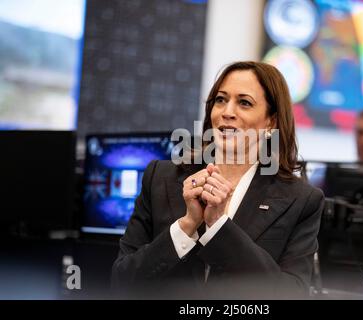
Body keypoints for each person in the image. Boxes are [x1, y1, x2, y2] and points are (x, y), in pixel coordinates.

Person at [111, 61, 324, 299]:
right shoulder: (159, 177)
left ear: (271, 121)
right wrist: (186, 226)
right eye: (220, 100)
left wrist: (220, 227)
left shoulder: (301, 200)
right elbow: (122, 281)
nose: (227, 112)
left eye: (244, 103)